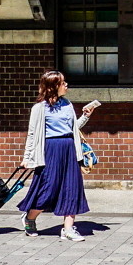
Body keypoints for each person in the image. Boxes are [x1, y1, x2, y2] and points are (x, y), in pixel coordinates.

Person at [20, 70, 100, 241]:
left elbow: (73, 128)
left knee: (72, 188)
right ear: (53, 86)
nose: (66, 85)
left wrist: (85, 116)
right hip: (51, 150)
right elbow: (32, 135)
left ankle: (68, 229)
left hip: (69, 149)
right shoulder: (39, 109)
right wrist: (27, 158)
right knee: (47, 189)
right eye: (63, 83)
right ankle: (30, 218)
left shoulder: (67, 104)